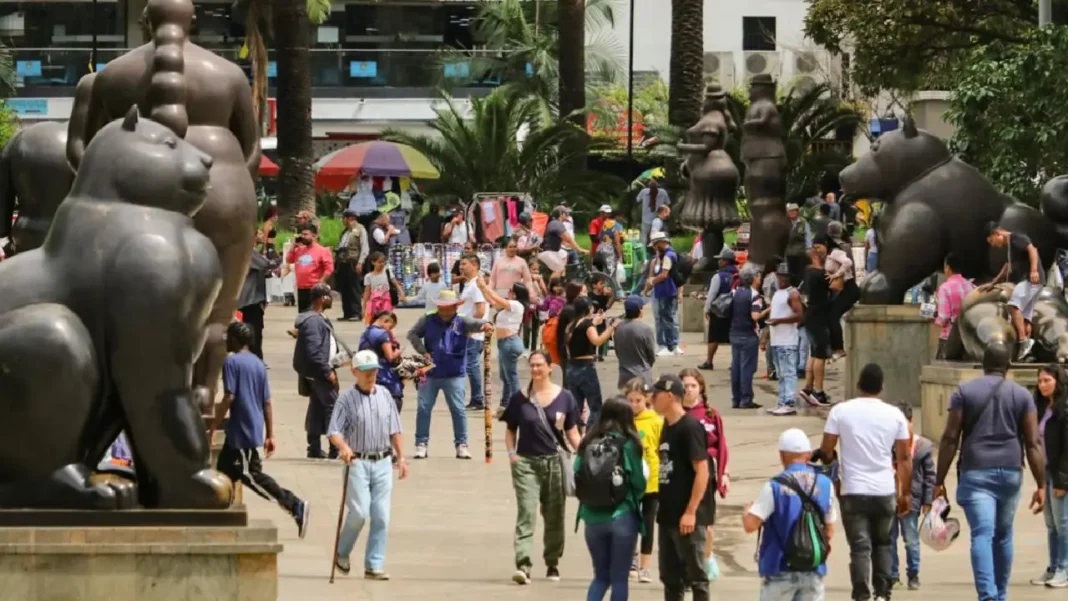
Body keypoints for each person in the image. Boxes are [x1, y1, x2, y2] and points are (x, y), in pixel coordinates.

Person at [934, 344, 1046, 601]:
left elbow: (950, 438)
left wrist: (938, 481)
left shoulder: (964, 391)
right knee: (1004, 534)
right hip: (1010, 472)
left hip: (976, 472)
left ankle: (988, 596)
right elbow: (1033, 442)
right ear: (1008, 365)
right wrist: (1041, 485)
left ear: (983, 364)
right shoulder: (1022, 395)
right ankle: (1001, 594)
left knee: (982, 534)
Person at [818, 363, 913, 601]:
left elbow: (826, 450)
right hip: (884, 490)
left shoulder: (840, 411)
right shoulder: (895, 415)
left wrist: (835, 472)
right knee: (883, 544)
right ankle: (883, 593)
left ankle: (861, 594)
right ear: (882, 387)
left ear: (859, 384)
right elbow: (903, 458)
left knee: (860, 548)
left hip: (853, 490)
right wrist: (906, 493)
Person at [209, 321, 310, 537]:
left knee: (251, 475)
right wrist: (270, 434)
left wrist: (213, 426)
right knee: (223, 474)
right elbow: (267, 402)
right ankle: (217, 519)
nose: (226, 341)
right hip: (252, 426)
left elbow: (229, 397)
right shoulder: (257, 363)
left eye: (229, 337)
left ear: (236, 339)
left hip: (241, 430)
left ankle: (294, 504)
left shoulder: (232, 363)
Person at [501, 350, 582, 585]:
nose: (535, 370)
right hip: (526, 463)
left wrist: (585, 454)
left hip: (555, 462)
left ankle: (552, 562)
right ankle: (523, 564)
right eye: (532, 365)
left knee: (554, 515)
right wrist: (511, 455)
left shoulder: (565, 397)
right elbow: (510, 429)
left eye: (539, 365)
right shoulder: (520, 398)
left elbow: (572, 432)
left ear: (550, 368)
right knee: (526, 512)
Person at [328, 350, 410, 581]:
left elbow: (395, 428)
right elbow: (334, 430)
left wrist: (401, 457)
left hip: (383, 461)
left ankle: (374, 565)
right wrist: (343, 447)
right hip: (357, 463)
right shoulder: (346, 399)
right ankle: (342, 552)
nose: (370, 375)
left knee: (382, 516)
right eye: (365, 371)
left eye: (373, 370)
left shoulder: (385, 395)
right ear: (354, 372)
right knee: (360, 512)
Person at [743, 428, 837, 601]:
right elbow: (829, 530)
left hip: (779, 569)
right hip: (813, 570)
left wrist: (747, 512)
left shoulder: (775, 486)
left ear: (782, 455)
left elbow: (750, 525)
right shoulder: (826, 484)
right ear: (808, 455)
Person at [407, 289, 492, 460]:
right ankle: (421, 443)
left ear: (455, 307)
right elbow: (412, 334)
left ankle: (462, 444)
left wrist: (486, 326)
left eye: (449, 307)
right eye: (442, 307)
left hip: (454, 372)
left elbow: (479, 324)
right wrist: (423, 351)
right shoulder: (428, 319)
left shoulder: (462, 321)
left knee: (458, 409)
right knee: (424, 408)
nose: (445, 311)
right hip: (430, 372)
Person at [576, 396, 647, 601]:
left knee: (600, 577)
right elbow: (638, 482)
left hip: (591, 517)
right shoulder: (628, 444)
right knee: (619, 579)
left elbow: (576, 475)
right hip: (622, 516)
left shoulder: (588, 442)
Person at [652, 374, 712, 601]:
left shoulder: (690, 427)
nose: (651, 399)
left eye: (655, 395)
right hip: (667, 514)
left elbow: (702, 471)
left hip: (687, 518)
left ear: (669, 396)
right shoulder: (666, 426)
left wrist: (690, 512)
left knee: (695, 577)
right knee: (670, 578)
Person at [679, 368, 730, 580]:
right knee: (684, 523)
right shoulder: (676, 414)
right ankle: (686, 565)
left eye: (693, 386)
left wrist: (724, 473)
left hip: (706, 474)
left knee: (706, 525)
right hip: (681, 474)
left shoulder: (710, 414)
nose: (689, 390)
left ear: (700, 389)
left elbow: (722, 446)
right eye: (685, 386)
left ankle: (707, 558)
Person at [889, 402, 935, 591]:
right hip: (889, 499)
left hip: (912, 500)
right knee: (889, 540)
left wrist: (927, 500)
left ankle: (913, 574)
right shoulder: (886, 445)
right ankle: (892, 575)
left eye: (904, 423)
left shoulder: (922, 446)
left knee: (911, 539)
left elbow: (929, 475)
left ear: (911, 422)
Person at [292, 283, 342, 459]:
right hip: (319, 372)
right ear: (322, 299)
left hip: (316, 371)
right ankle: (335, 447)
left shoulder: (316, 318)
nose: (332, 300)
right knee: (333, 407)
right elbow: (314, 351)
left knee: (317, 407)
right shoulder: (313, 321)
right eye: (329, 297)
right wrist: (326, 370)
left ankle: (314, 448)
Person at [984, 222, 1045, 360]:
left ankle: (1024, 341)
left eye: (992, 241)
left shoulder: (1016, 237)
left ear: (997, 234)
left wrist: (1034, 270)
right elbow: (1007, 267)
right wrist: (994, 282)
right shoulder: (1010, 247)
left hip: (1031, 280)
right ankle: (1027, 353)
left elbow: (1032, 249)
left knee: (1013, 305)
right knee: (1025, 317)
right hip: (1036, 282)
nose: (993, 245)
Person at [473, 274, 529, 413]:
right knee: (506, 377)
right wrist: (482, 288)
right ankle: (505, 405)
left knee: (511, 377)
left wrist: (485, 286)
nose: (508, 293)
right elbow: (491, 300)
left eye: (511, 291)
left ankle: (519, 406)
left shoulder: (516, 305)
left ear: (516, 294)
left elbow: (496, 298)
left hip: (509, 343)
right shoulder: (508, 307)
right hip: (505, 343)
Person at [1033, 364, 1068, 588]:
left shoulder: (1065, 408)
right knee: (1051, 524)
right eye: (1040, 381)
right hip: (1045, 472)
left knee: (1062, 523)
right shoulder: (1043, 408)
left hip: (1059, 473)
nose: (1043, 385)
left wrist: (1062, 480)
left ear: (1058, 381)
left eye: (1047, 380)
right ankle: (1053, 566)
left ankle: (1064, 568)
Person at [624, 379, 661, 584]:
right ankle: (630, 559)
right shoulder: (624, 422)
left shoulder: (656, 421)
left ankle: (645, 566)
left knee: (647, 524)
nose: (634, 405)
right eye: (630, 400)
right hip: (629, 481)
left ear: (646, 399)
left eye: (638, 400)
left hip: (652, 482)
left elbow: (660, 450)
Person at [566, 296, 615, 428]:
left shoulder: (572, 324)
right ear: (588, 308)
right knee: (596, 406)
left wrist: (595, 322)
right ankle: (590, 434)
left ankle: (574, 434)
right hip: (585, 368)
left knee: (576, 405)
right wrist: (610, 329)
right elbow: (597, 340)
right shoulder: (587, 325)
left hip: (571, 367)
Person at [766, 262, 805, 415]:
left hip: (788, 340)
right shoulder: (777, 294)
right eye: (780, 275)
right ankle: (781, 401)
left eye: (785, 276)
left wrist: (779, 321)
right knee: (781, 373)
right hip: (777, 340)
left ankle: (788, 402)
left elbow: (800, 315)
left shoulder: (792, 293)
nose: (782, 279)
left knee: (788, 372)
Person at [799, 240, 833, 407]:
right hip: (819, 315)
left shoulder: (808, 273)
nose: (820, 251)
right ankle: (818, 391)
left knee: (813, 353)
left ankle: (808, 387)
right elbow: (836, 286)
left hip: (812, 314)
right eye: (816, 250)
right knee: (820, 355)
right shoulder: (820, 275)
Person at [728, 265, 767, 410]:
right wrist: (768, 309)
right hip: (748, 335)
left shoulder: (735, 292)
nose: (760, 279)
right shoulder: (755, 295)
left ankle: (735, 398)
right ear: (754, 278)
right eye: (758, 276)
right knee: (747, 368)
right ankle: (746, 399)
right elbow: (755, 316)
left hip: (734, 333)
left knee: (736, 367)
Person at [699, 247, 739, 371]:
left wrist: (707, 309)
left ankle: (709, 361)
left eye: (721, 260)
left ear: (725, 261)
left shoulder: (718, 276)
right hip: (735, 310)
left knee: (714, 337)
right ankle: (735, 363)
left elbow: (712, 294)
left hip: (719, 312)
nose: (719, 262)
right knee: (734, 338)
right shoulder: (739, 275)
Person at [458, 253, 489, 411]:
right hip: (468, 331)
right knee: (469, 365)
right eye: (461, 264)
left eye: (464, 264)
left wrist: (471, 328)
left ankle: (478, 399)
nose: (461, 267)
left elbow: (481, 310)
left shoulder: (477, 284)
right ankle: (476, 398)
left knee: (471, 365)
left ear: (475, 265)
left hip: (474, 334)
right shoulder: (469, 283)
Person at [645, 232, 683, 356]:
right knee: (664, 318)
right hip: (662, 292)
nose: (655, 248)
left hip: (667, 291)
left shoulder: (668, 256)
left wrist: (653, 281)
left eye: (656, 245)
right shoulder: (659, 259)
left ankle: (670, 345)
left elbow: (665, 275)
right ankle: (667, 344)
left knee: (668, 318)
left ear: (661, 243)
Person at [824, 229, 859, 362]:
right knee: (831, 315)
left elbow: (848, 262)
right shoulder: (827, 256)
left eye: (819, 246)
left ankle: (839, 348)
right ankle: (834, 348)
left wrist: (837, 274)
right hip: (843, 290)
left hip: (850, 288)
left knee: (833, 316)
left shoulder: (835, 253)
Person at [358, 311, 403, 411]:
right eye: (390, 327)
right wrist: (398, 352)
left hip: (368, 375)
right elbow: (390, 357)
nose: (390, 331)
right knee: (393, 404)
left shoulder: (365, 334)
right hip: (385, 376)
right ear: (385, 321)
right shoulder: (382, 334)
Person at [933, 253, 975, 360]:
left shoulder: (945, 288)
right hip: (969, 338)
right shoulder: (971, 286)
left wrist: (934, 318)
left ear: (948, 268)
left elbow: (943, 317)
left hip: (949, 338)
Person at [286, 223, 334, 312]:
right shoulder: (298, 250)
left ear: (314, 235)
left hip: (314, 288)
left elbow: (329, 269)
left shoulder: (322, 251)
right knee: (303, 315)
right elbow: (289, 260)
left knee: (314, 314)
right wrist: (293, 246)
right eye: (302, 234)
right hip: (301, 289)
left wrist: (321, 281)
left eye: (306, 234)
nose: (303, 237)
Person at [236, 243, 272, 359]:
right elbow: (265, 264)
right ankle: (255, 362)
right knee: (254, 335)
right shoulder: (247, 250)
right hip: (249, 300)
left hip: (240, 300)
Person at [613, 296, 657, 389]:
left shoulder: (618, 328)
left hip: (624, 375)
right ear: (640, 310)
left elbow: (617, 351)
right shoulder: (645, 329)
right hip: (642, 374)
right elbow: (651, 354)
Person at [335, 209, 370, 321]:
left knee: (354, 288)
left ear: (349, 218)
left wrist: (360, 262)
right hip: (343, 262)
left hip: (353, 262)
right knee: (344, 288)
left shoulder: (360, 230)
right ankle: (347, 313)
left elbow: (364, 247)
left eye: (343, 218)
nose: (342, 220)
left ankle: (356, 313)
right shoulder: (345, 231)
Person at [539, 206, 588, 276]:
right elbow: (569, 239)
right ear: (561, 214)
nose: (567, 215)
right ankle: (553, 285)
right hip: (548, 252)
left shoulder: (555, 223)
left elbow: (564, 242)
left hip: (553, 251)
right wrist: (580, 249)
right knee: (560, 269)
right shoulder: (557, 224)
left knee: (564, 254)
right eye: (566, 213)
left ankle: (560, 278)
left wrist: (573, 247)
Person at [636, 179, 671, 246]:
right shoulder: (663, 192)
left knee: (644, 238)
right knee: (658, 237)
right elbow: (668, 203)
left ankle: (644, 253)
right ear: (658, 186)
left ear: (649, 187)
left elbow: (637, 200)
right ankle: (657, 251)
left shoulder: (644, 191)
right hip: (658, 219)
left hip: (645, 219)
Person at [589, 279, 615, 362]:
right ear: (594, 285)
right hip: (591, 318)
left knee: (602, 334)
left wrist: (610, 297)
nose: (603, 285)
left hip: (601, 318)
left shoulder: (604, 296)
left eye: (603, 283)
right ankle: (592, 353)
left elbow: (607, 306)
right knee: (591, 334)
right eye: (601, 283)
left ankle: (600, 354)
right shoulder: (590, 295)